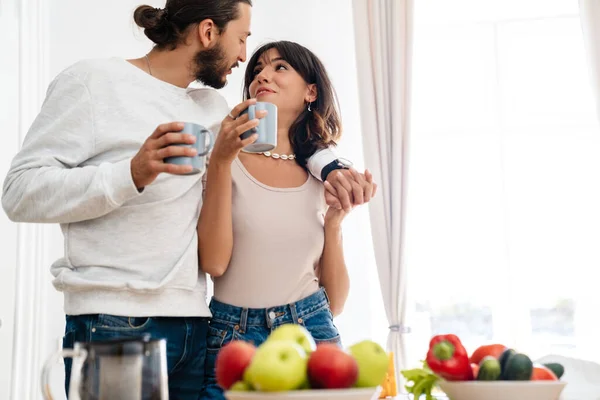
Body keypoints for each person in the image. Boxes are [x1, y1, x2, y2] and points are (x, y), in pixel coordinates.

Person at [1, 1, 375, 398]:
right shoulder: (93, 81)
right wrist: (133, 172)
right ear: (209, 32)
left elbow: (293, 145)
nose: (245, 58)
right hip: (118, 319)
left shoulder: (211, 110)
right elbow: (19, 192)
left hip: (196, 324)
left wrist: (335, 171)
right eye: (242, 39)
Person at [199, 40, 370, 400]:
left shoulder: (325, 173)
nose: (262, 74)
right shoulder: (224, 157)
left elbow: (334, 304)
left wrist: (335, 223)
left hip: (313, 331)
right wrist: (220, 163)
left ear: (311, 91)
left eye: (280, 67)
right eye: (257, 68)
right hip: (233, 336)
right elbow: (214, 263)